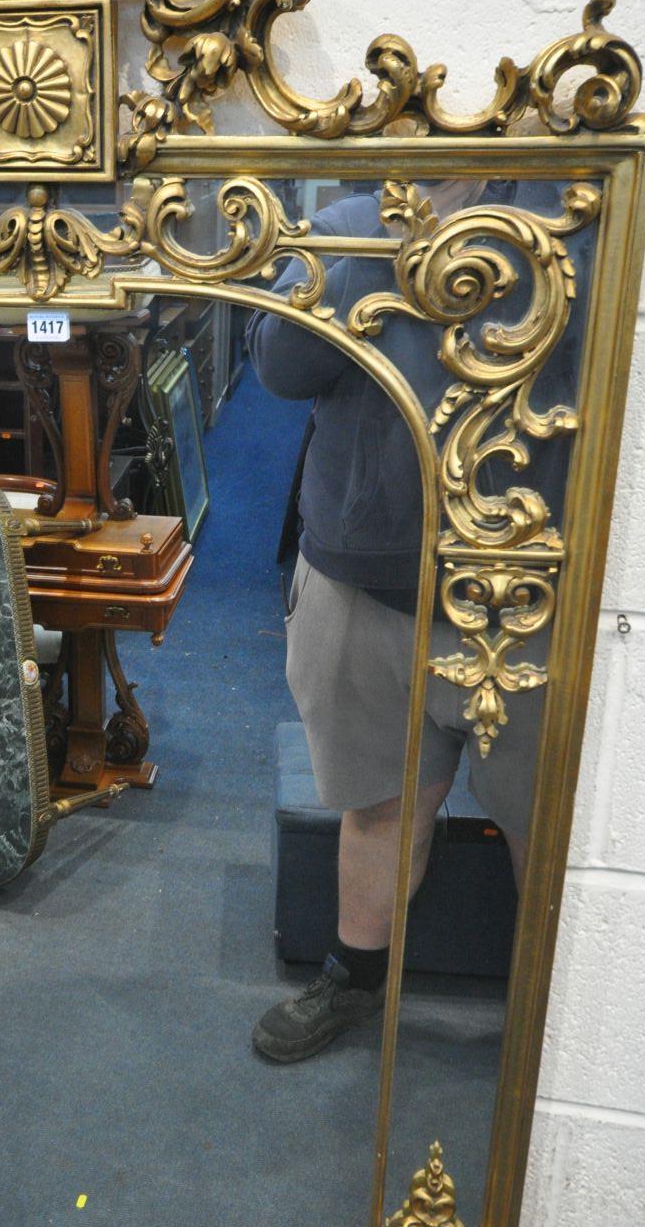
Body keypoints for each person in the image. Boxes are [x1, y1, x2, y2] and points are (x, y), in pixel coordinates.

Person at [246, 170, 588, 1064]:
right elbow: (279, 368)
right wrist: (354, 250)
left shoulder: (573, 227)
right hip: (366, 576)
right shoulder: (354, 228)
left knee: (541, 825)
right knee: (378, 804)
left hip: (525, 593)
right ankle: (358, 978)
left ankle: (547, 1021)